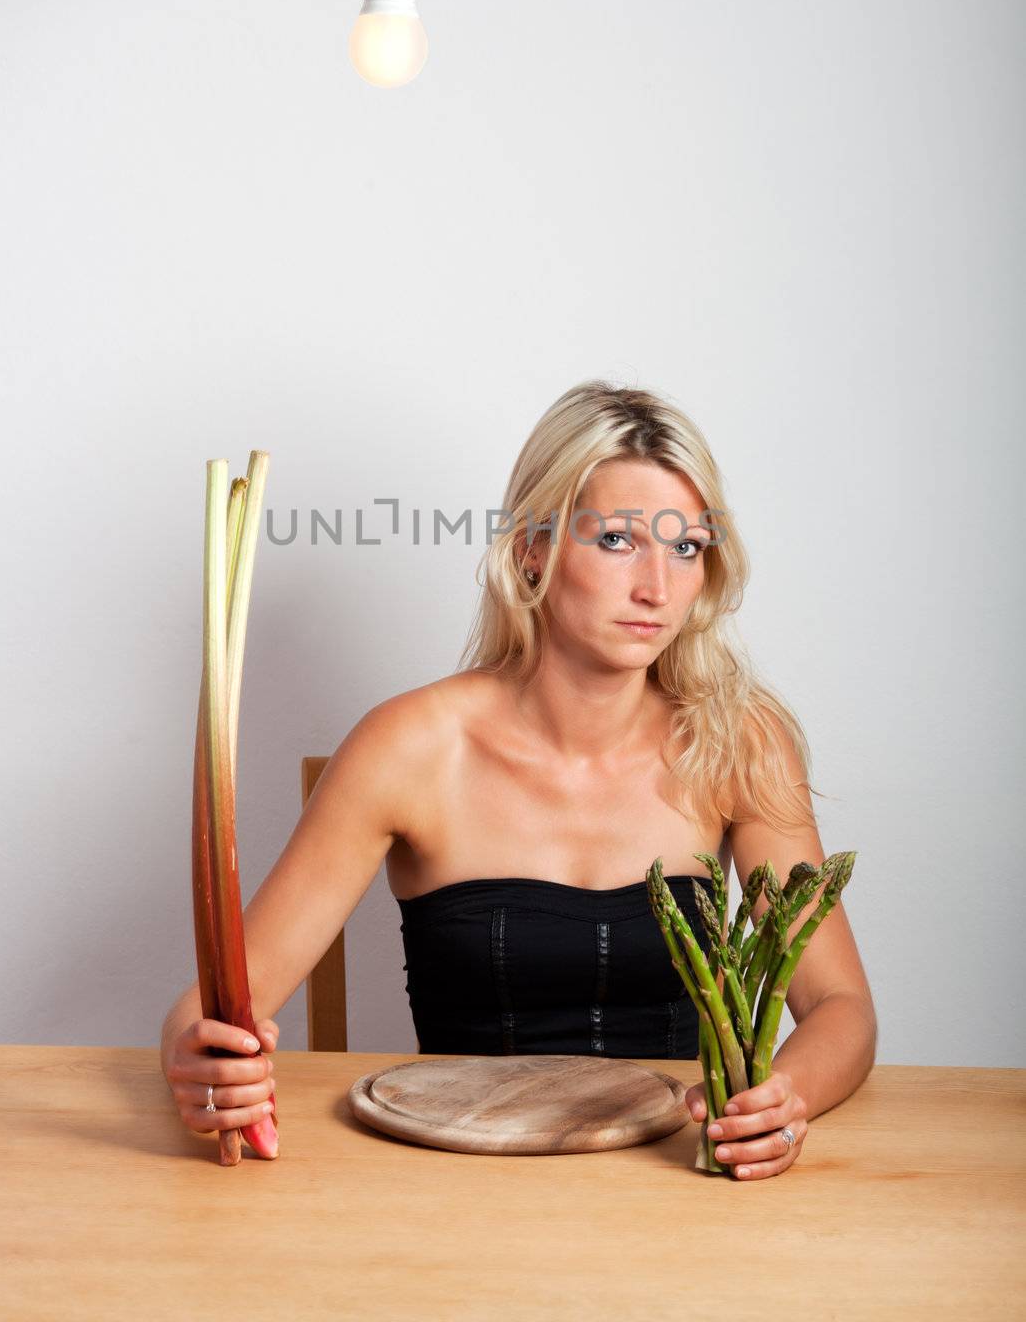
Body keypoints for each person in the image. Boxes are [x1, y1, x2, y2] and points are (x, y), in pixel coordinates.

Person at [161, 379, 877, 1180]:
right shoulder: (408, 747)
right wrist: (202, 1066)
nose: (657, 586)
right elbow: (211, 1011)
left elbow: (838, 1008)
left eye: (685, 546)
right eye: (615, 540)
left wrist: (780, 1098)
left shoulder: (737, 740)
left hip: (679, 1179)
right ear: (531, 549)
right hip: (455, 1175)